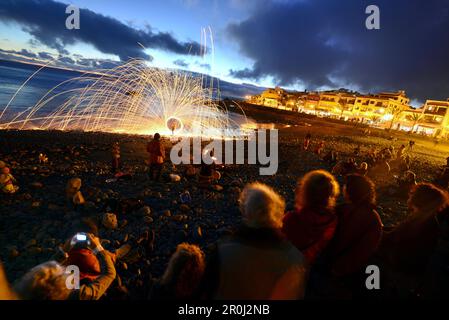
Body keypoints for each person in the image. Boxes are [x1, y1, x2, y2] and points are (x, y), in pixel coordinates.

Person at [200, 183, 307, 299]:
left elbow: (205, 293)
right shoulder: (295, 260)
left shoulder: (224, 254)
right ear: (277, 213)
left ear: (246, 213)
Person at [380, 183, 449, 294]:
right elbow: (398, 232)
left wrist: (374, 227)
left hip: (403, 263)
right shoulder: (430, 218)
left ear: (419, 199)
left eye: (412, 194)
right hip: (418, 264)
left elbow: (390, 238)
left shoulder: (418, 220)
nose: (410, 196)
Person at [326, 174, 383, 277]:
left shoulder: (341, 211)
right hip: (360, 269)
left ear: (349, 191)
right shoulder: (374, 217)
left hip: (336, 268)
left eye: (345, 186)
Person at [282, 170, 340, 265]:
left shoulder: (293, 219)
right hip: (316, 270)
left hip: (291, 270)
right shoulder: (333, 220)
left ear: (306, 191)